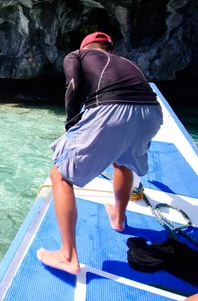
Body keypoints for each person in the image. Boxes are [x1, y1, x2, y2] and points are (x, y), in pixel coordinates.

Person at [37, 31, 163, 275]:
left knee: (60, 175)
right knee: (122, 163)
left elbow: (73, 87)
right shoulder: (129, 63)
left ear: (85, 47)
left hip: (113, 109)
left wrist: (71, 125)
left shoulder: (77, 56)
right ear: (111, 50)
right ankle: (118, 218)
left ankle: (67, 255)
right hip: (152, 113)